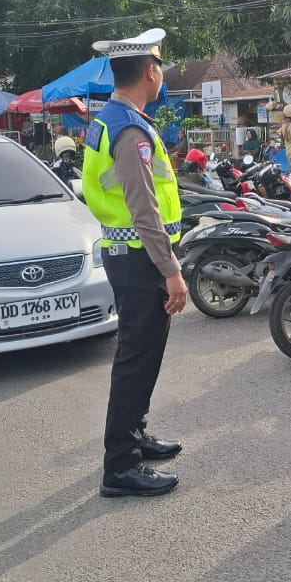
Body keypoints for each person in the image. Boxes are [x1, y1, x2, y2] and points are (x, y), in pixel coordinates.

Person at [81, 28, 186, 499]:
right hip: (141, 258)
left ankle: (135, 435)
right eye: (160, 67)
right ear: (150, 72)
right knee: (135, 358)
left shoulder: (113, 119)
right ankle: (120, 466)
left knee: (144, 355)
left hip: (133, 255)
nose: (162, 74)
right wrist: (172, 271)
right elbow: (144, 209)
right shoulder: (129, 129)